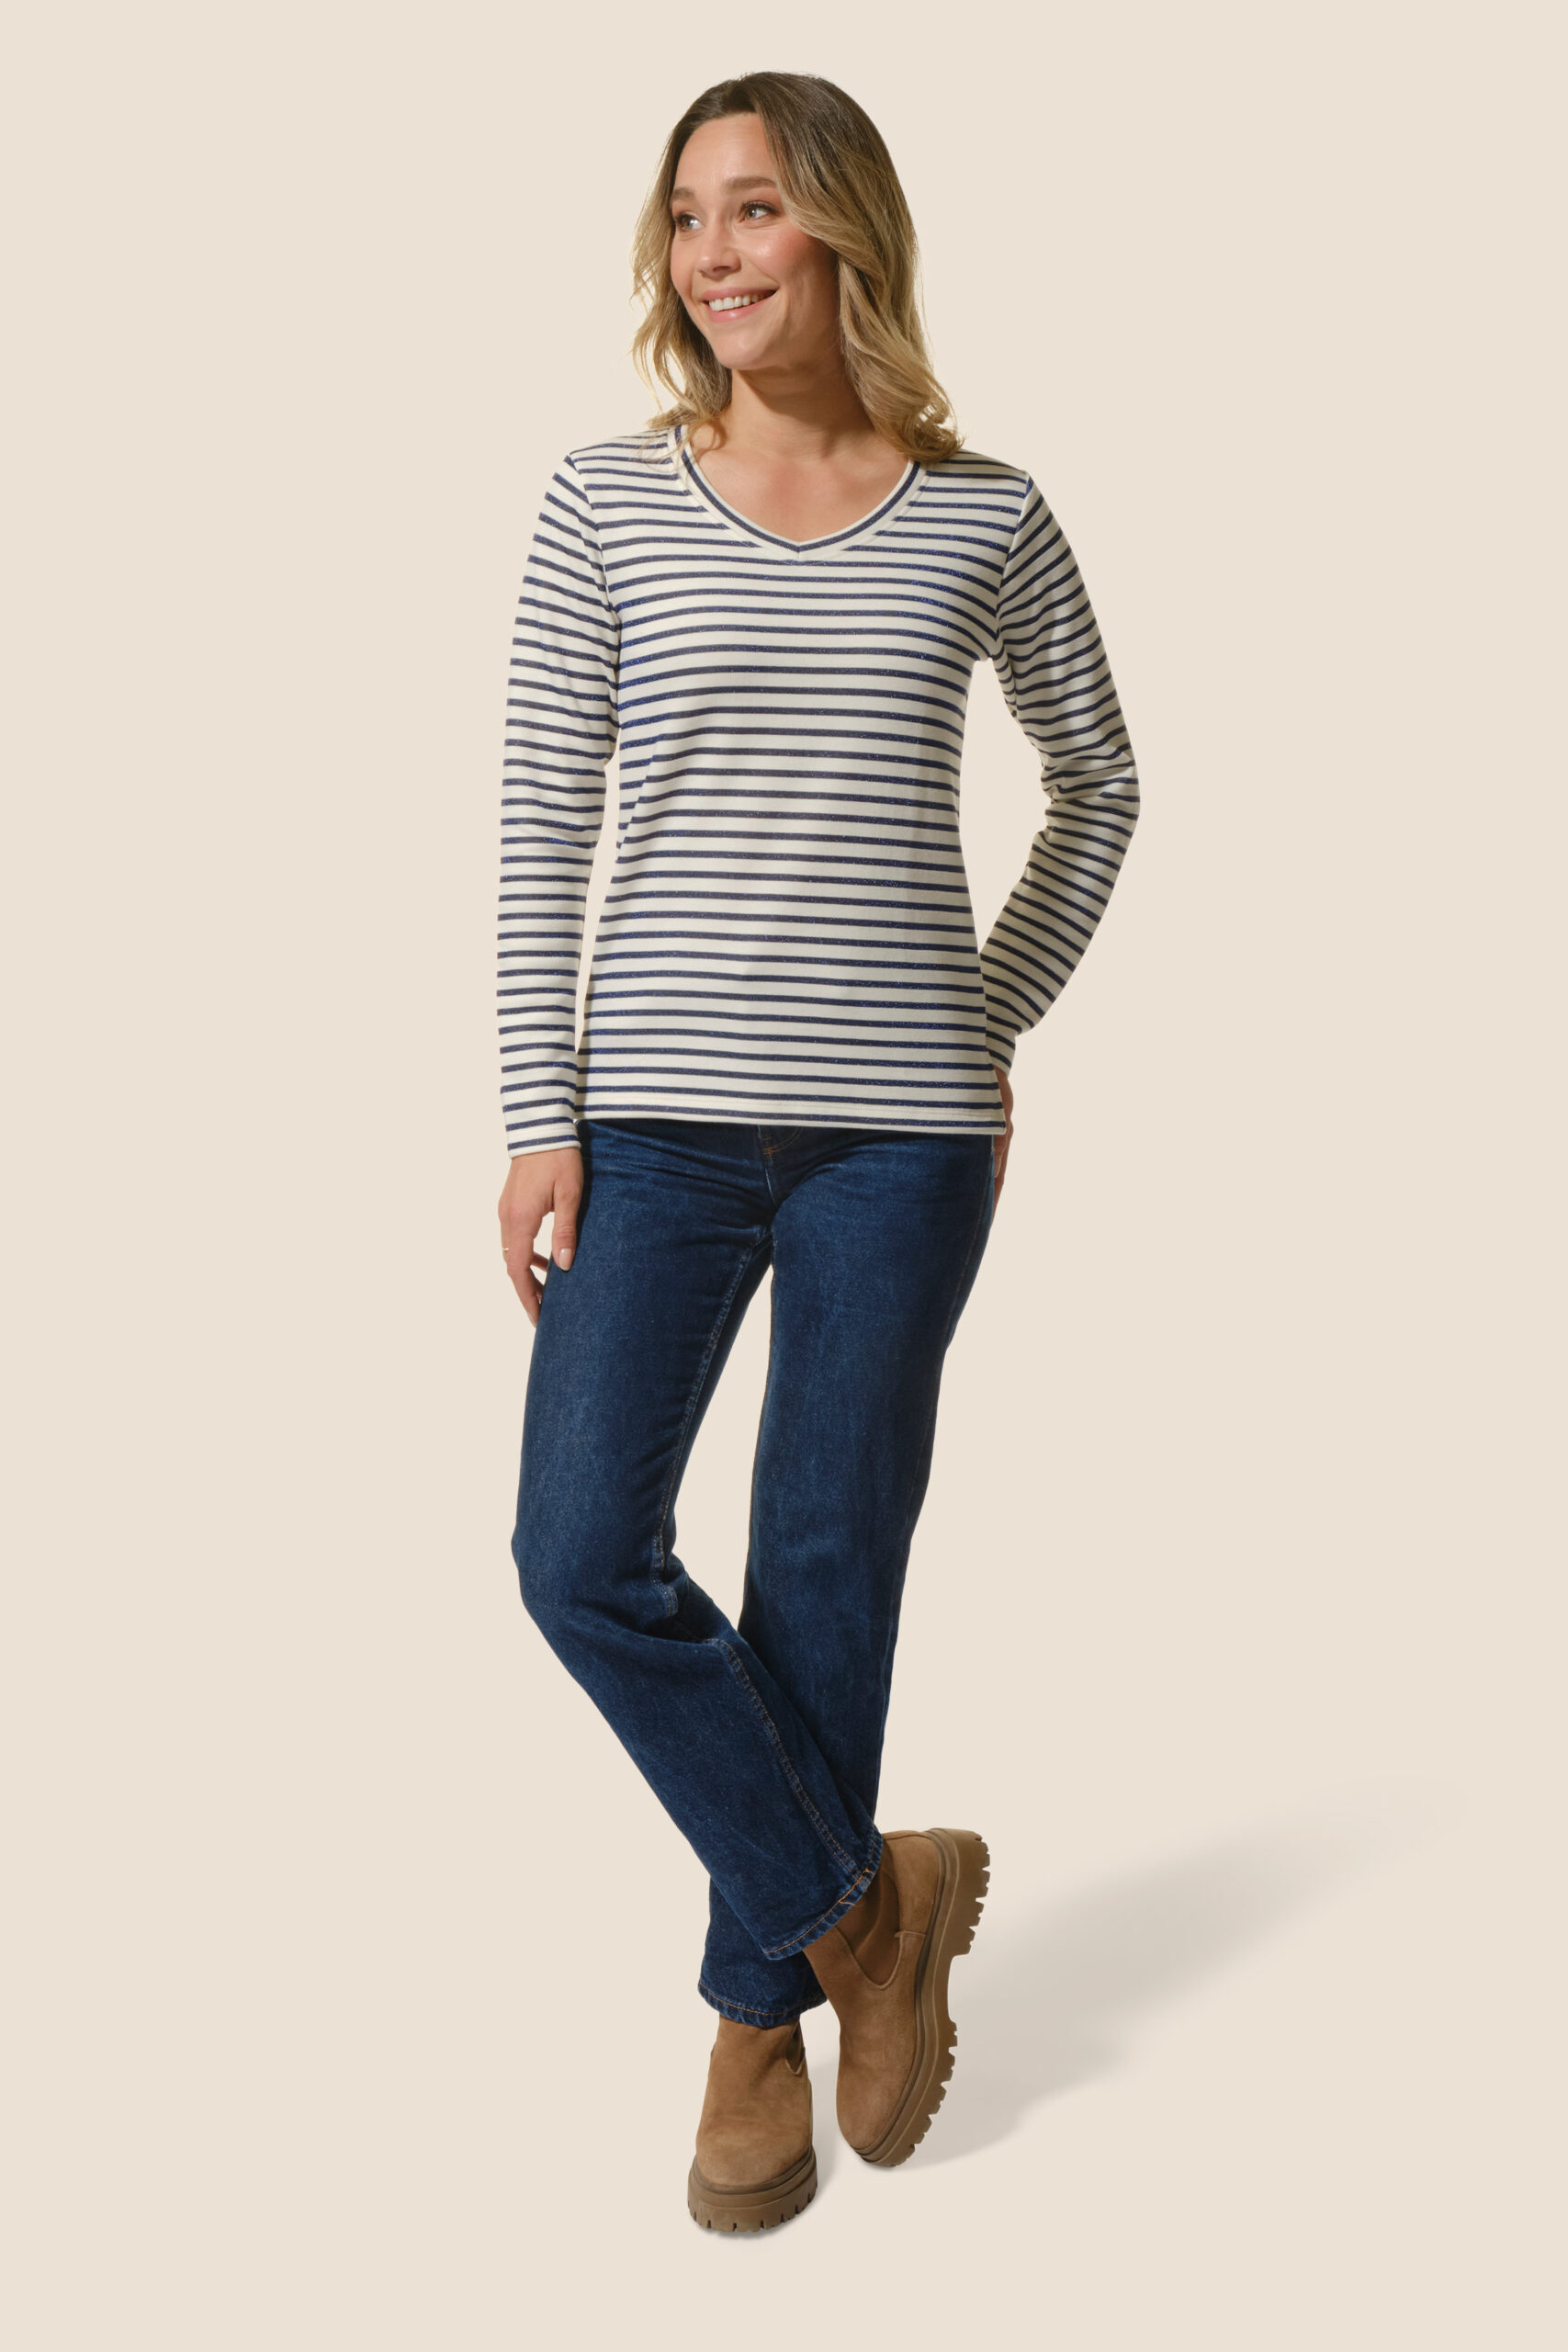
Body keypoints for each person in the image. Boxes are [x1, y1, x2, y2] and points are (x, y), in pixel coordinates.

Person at [496, 72, 1139, 2233]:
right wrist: (535, 1110)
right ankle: (867, 1902)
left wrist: (986, 1004)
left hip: (900, 1138)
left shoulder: (982, 515)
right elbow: (541, 816)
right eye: (686, 215)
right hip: (652, 1129)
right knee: (576, 1549)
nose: (713, 252)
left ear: (843, 228)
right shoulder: (605, 501)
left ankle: (750, 2018)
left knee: (822, 1560)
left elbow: (1099, 781)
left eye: (754, 207)